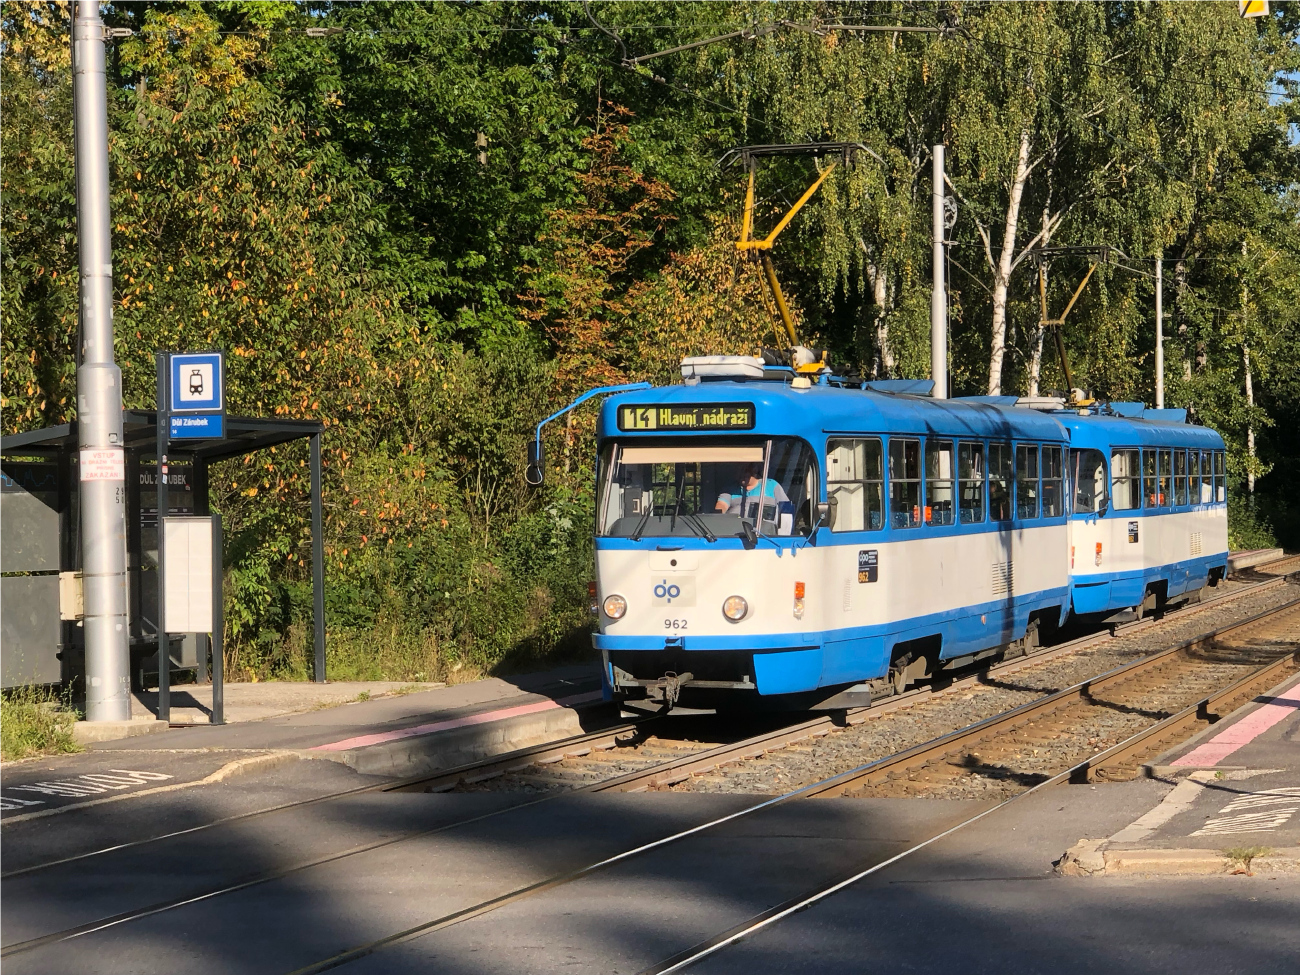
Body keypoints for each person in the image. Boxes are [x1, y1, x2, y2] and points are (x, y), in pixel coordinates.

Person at [715, 462, 790, 524]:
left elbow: (786, 511)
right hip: (734, 533)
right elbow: (722, 505)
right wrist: (719, 516)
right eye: (739, 471)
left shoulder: (771, 485)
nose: (742, 474)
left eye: (745, 471)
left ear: (754, 470)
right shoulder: (730, 489)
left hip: (766, 534)